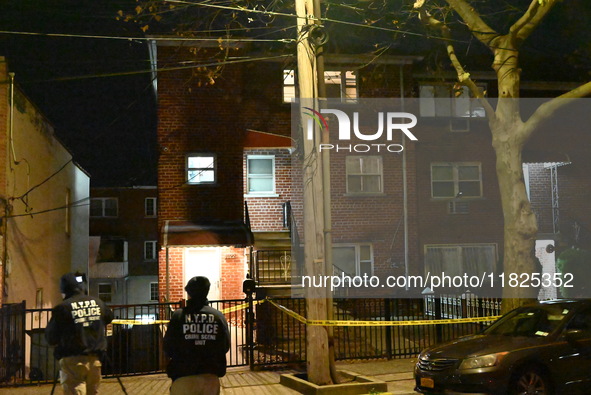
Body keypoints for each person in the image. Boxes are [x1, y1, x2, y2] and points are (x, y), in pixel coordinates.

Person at [45, 273, 113, 395]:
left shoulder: (63, 308)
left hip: (73, 359)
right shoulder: (97, 302)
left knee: (75, 389)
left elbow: (51, 337)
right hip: (95, 357)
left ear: (64, 290)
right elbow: (108, 317)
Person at [164, 276, 231, 395]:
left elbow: (168, 346)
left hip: (183, 377)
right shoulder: (218, 316)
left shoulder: (178, 316)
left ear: (189, 293)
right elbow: (225, 346)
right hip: (210, 377)